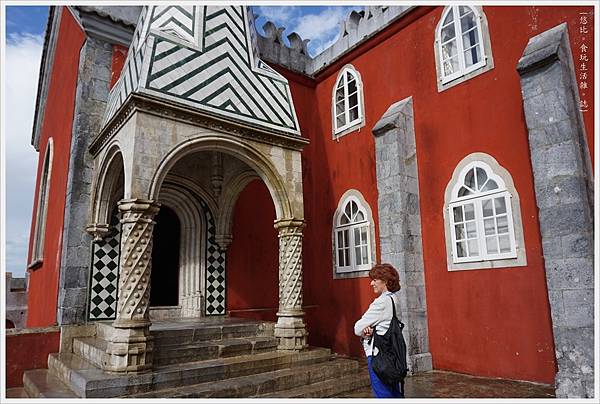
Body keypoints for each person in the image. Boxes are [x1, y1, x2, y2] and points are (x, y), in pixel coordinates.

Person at [354, 263, 403, 398]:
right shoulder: (394, 299)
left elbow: (357, 328)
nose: (371, 283)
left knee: (383, 395)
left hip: (378, 356)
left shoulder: (381, 302)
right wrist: (371, 330)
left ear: (385, 281)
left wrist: (365, 330)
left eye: (375, 280)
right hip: (392, 354)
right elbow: (386, 324)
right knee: (394, 393)